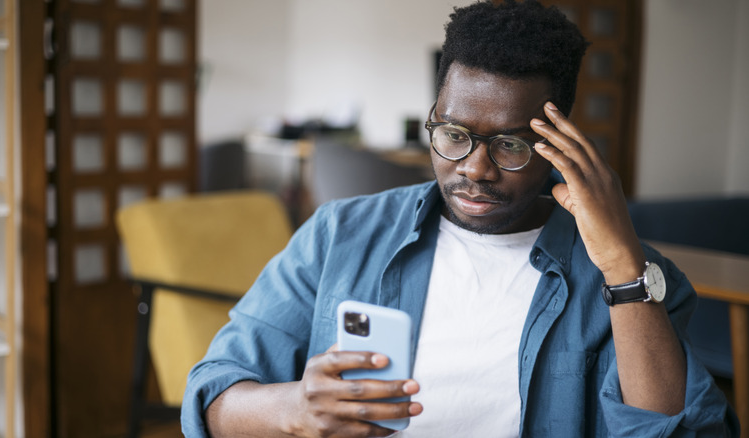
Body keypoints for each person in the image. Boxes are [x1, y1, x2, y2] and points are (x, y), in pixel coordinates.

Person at [182, 1, 739, 437]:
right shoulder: (340, 236)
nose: (475, 169)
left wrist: (621, 266)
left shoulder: (634, 281)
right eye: (453, 135)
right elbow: (212, 397)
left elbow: (685, 431)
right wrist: (294, 409)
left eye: (510, 146)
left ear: (558, 144)